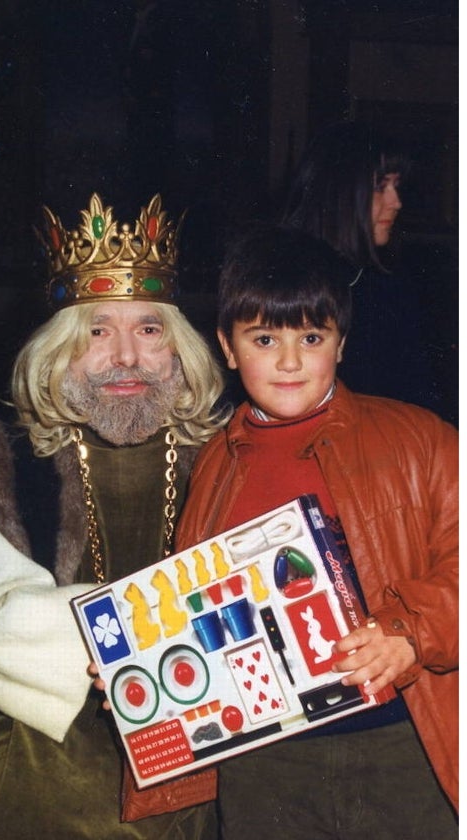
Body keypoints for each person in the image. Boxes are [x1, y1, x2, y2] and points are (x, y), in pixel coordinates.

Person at [0, 194, 227, 840]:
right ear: (60, 350)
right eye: (98, 332)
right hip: (35, 715)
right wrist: (142, 642)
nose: (126, 357)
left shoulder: (223, 456)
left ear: (179, 346)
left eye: (148, 330)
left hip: (210, 715)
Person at [171, 225, 457, 838]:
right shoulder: (214, 465)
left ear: (341, 343)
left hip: (400, 744)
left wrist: (410, 634)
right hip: (266, 761)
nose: (291, 360)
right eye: (265, 337)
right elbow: (196, 609)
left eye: (311, 336)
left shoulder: (420, 439)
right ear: (226, 346)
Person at [280, 120, 450, 420]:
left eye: (396, 186)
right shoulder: (279, 283)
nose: (396, 202)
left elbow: (421, 405)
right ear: (339, 191)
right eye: (380, 186)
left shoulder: (388, 290)